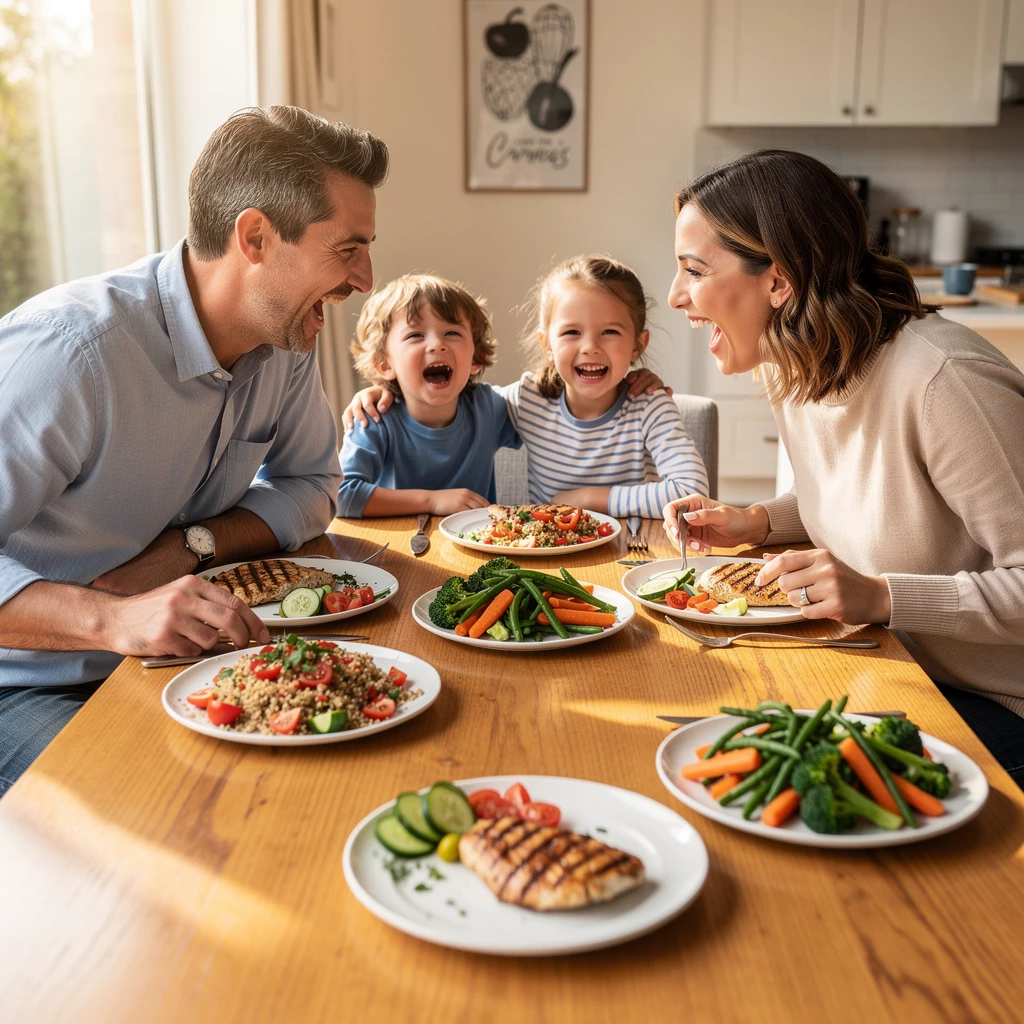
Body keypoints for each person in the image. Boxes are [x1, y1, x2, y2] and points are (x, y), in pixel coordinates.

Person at [0, 105, 388, 792]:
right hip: (31, 685)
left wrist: (193, 548)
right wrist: (110, 617)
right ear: (256, 237)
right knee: (170, 807)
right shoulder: (69, 357)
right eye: (348, 249)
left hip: (183, 657)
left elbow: (312, 484)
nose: (365, 280)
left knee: (340, 774)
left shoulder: (285, 339)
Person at [661, 149, 1024, 785]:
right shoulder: (799, 360)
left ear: (778, 281)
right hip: (888, 664)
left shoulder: (944, 382)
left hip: (989, 705)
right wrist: (753, 522)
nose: (673, 296)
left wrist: (882, 596)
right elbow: (850, 498)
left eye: (694, 270)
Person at [343, 256, 708, 517]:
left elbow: (691, 493)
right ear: (547, 343)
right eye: (571, 332)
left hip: (627, 551)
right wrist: (379, 390)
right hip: (530, 552)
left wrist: (586, 498)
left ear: (637, 345)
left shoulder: (647, 404)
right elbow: (340, 495)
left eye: (610, 331)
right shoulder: (527, 401)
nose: (590, 347)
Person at [337, 274, 522, 517]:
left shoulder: (490, 407)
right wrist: (432, 501)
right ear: (384, 364)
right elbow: (341, 497)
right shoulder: (373, 417)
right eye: (415, 335)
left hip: (475, 547)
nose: (437, 344)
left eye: (452, 333)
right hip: (395, 546)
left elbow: (555, 407)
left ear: (477, 358)